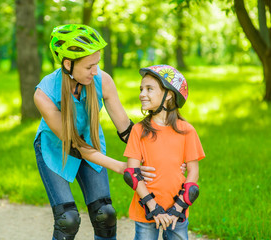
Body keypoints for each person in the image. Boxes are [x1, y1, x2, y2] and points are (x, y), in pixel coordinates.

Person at [33, 24, 187, 240]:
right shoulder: (44, 94)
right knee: (67, 220)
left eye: (96, 64)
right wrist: (123, 167)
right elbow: (76, 145)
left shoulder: (102, 80)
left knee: (105, 215)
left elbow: (126, 129)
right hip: (55, 148)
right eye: (89, 67)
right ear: (68, 64)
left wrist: (167, 157)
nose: (95, 71)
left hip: (90, 143)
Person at [123, 65, 205, 240]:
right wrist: (154, 208)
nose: (142, 94)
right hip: (146, 209)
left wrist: (177, 209)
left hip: (178, 212)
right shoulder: (139, 130)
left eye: (149, 89)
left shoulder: (187, 131)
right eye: (141, 89)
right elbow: (132, 174)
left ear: (169, 94)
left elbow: (194, 173)